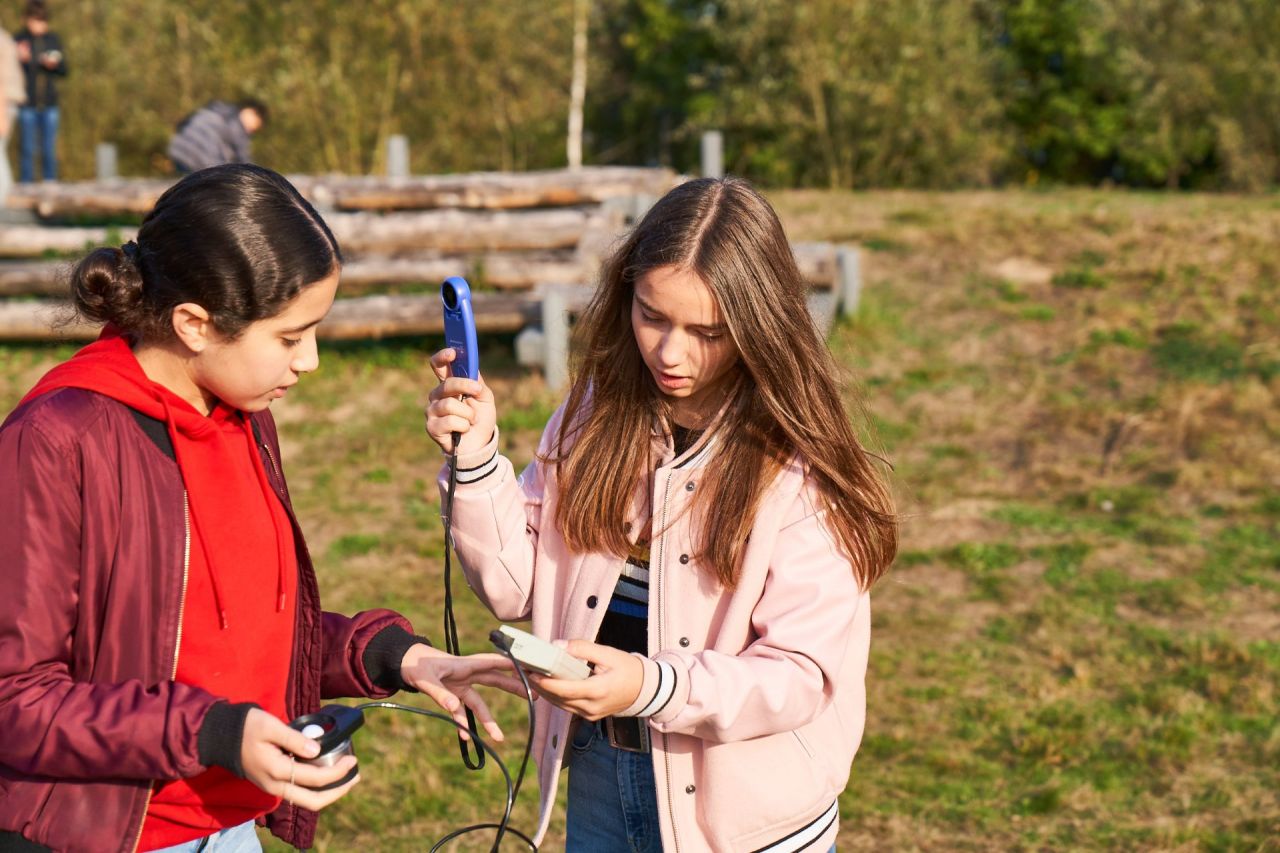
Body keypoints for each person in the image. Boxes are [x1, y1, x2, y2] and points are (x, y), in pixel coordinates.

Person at [0, 164, 519, 853]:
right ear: (193, 324)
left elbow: (240, 633)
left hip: (228, 828)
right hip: (106, 838)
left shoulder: (244, 417)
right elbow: (16, 697)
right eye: (289, 337)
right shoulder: (56, 441)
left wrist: (394, 656)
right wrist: (212, 731)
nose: (310, 361)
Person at [424, 176, 898, 852]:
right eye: (652, 316)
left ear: (761, 325)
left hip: (745, 818)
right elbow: (513, 586)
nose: (670, 354)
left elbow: (797, 676)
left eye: (707, 332)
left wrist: (650, 687)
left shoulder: (799, 463)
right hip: (597, 775)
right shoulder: (594, 414)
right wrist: (474, 461)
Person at [13, 0, 65, 183]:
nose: (39, 25)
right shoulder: (18, 39)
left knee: (49, 149)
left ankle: (50, 185)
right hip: (27, 103)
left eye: (42, 21)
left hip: (49, 103)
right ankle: (26, 186)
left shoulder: (53, 40)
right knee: (27, 149)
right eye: (35, 20)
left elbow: (64, 70)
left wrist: (54, 65)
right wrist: (20, 59)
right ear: (27, 20)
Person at [168, 100, 268, 175]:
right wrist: (256, 175)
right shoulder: (236, 125)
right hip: (197, 159)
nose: (250, 131)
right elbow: (243, 160)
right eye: (254, 128)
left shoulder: (220, 111)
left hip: (179, 150)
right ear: (252, 112)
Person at [0, 18, 26, 205]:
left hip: (3, 103)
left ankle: (3, 205)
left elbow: (2, 82)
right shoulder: (5, 39)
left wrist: (1, 114)